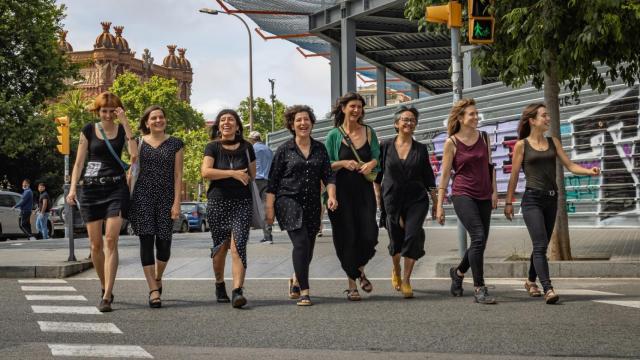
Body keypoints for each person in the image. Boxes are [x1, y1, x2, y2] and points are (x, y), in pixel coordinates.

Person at [504, 103, 600, 304]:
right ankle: (548, 288)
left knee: (542, 244)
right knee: (540, 245)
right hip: (532, 200)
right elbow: (514, 175)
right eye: (544, 115)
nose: (548, 118)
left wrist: (589, 170)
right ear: (532, 120)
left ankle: (530, 281)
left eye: (548, 115)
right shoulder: (522, 145)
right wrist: (509, 202)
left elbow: (571, 166)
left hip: (551, 199)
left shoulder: (553, 142)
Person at [66, 91, 138, 312]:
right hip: (91, 190)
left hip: (116, 188)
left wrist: (125, 123)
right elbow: (79, 163)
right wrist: (72, 190)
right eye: (103, 111)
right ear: (98, 111)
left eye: (111, 111)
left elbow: (134, 156)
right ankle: (103, 284)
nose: (107, 115)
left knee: (110, 240)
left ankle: (107, 296)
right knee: (95, 245)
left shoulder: (120, 129)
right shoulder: (88, 130)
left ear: (117, 111)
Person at [265, 105, 338, 306]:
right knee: (301, 244)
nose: (303, 123)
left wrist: (331, 196)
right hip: (288, 200)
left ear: (312, 123)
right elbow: (272, 181)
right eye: (298, 120)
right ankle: (305, 291)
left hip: (313, 202)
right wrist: (269, 209)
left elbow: (329, 176)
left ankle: (296, 279)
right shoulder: (284, 149)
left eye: (306, 119)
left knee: (309, 248)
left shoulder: (320, 148)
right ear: (292, 124)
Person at [435, 98, 498, 305]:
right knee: (478, 237)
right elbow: (444, 175)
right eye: (471, 114)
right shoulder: (451, 143)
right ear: (461, 118)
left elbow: (490, 167)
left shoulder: (485, 137)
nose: (476, 116)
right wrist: (439, 205)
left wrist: (495, 192)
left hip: (484, 194)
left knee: (480, 241)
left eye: (476, 113)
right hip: (463, 194)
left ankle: (458, 273)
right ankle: (480, 288)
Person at [375, 106, 437, 298]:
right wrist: (379, 200)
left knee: (412, 235)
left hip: (416, 199)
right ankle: (396, 269)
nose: (408, 122)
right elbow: (377, 177)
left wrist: (436, 202)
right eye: (405, 119)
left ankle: (407, 280)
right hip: (392, 199)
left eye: (412, 120)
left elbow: (428, 176)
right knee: (396, 240)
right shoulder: (384, 146)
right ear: (396, 124)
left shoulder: (420, 148)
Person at [324, 92, 380, 301]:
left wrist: (370, 164)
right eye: (352, 106)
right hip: (340, 193)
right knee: (346, 238)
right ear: (343, 109)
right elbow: (326, 165)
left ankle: (359, 270)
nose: (356, 110)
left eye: (359, 107)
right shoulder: (333, 135)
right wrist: (342, 163)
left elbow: (376, 157)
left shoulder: (369, 131)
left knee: (369, 235)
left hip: (364, 192)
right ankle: (352, 285)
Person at [129, 105, 184, 308]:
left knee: (164, 244)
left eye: (161, 117)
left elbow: (178, 175)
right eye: (153, 118)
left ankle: (158, 276)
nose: (158, 120)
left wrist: (177, 202)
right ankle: (153, 289)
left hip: (166, 198)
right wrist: (124, 120)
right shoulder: (138, 142)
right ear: (146, 122)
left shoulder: (176, 144)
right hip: (142, 197)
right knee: (146, 241)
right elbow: (132, 165)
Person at [201, 109, 256, 309]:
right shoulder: (212, 147)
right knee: (220, 247)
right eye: (223, 120)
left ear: (238, 126)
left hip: (242, 202)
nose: (226, 123)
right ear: (218, 126)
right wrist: (232, 173)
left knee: (238, 245)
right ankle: (219, 284)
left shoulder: (247, 147)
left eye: (231, 120)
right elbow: (206, 172)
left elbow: (251, 174)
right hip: (218, 202)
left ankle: (237, 291)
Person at [248, 130, 274, 244]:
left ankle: (245, 234)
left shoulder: (252, 149)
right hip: (268, 180)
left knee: (254, 206)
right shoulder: (269, 150)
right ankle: (268, 234)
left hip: (256, 180)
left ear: (253, 139)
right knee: (267, 206)